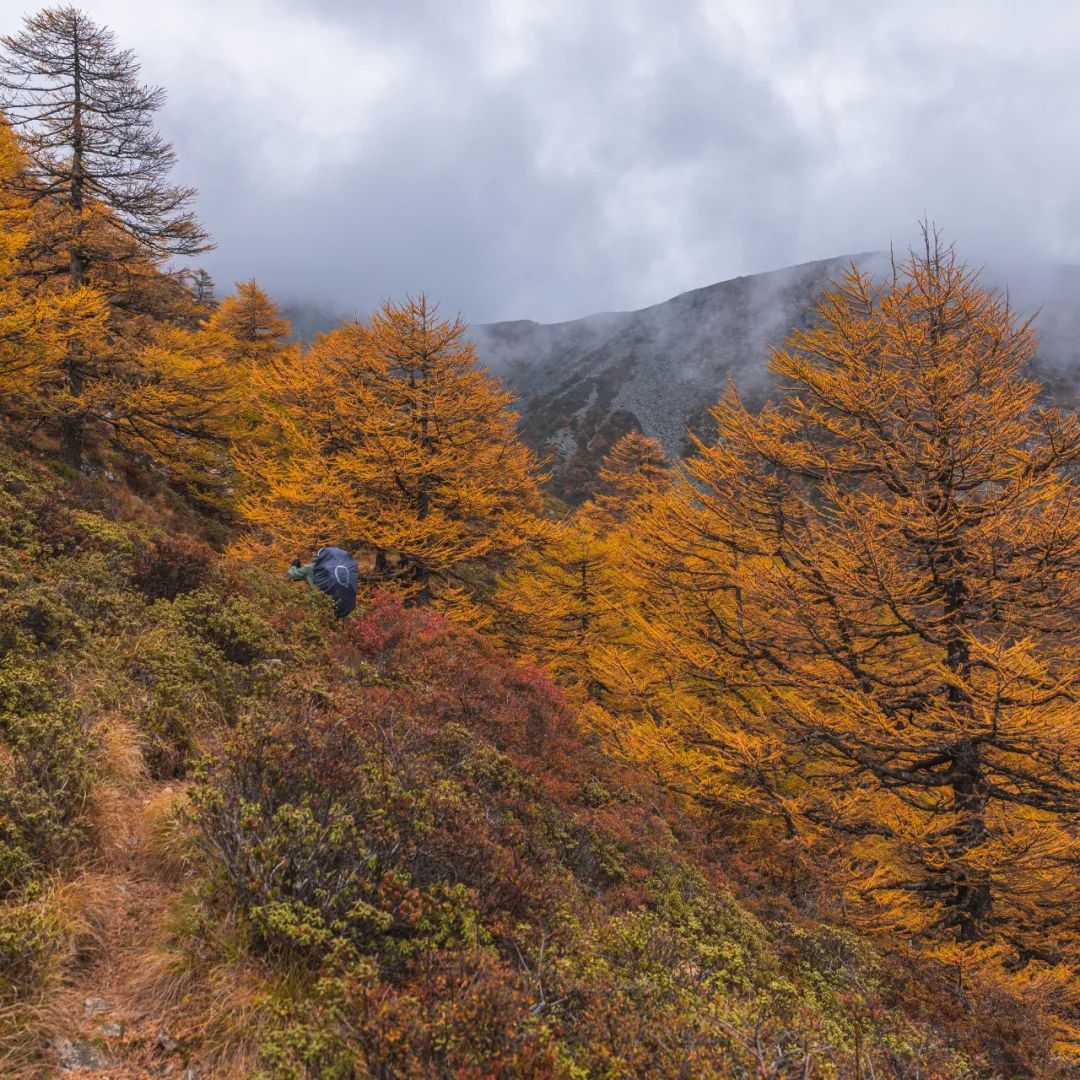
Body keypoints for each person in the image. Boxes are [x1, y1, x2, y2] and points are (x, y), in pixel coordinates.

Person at [286, 546, 359, 618]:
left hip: (315, 605)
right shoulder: (337, 567)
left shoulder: (311, 567)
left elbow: (292, 575)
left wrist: (294, 566)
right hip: (335, 606)